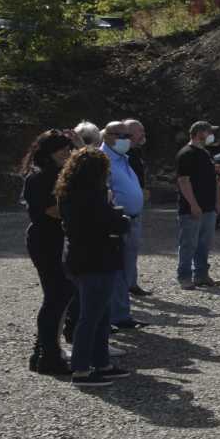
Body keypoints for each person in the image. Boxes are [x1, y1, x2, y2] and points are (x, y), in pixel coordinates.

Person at [59, 148, 131, 386]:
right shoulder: (91, 195)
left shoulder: (69, 192)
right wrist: (120, 217)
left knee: (100, 315)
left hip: (81, 258)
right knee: (91, 317)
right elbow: (111, 222)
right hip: (96, 260)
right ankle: (81, 369)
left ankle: (102, 363)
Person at [21, 130, 79, 376]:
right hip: (45, 240)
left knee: (59, 295)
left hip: (56, 238)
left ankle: (43, 351)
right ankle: (48, 357)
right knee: (57, 295)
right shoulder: (39, 177)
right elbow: (50, 210)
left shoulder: (57, 172)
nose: (67, 154)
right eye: (63, 150)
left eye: (69, 149)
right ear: (49, 153)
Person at [98, 121, 147, 329]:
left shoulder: (124, 158)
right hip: (116, 223)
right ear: (107, 136)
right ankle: (116, 316)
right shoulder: (102, 160)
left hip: (132, 220)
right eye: (122, 136)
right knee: (116, 271)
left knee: (126, 270)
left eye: (129, 136)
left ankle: (122, 313)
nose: (127, 140)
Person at [174, 121, 220, 290]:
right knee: (188, 243)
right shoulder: (186, 154)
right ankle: (184, 276)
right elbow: (183, 181)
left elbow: (213, 180)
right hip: (191, 209)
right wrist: (193, 204)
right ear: (199, 133)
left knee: (204, 243)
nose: (211, 135)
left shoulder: (206, 154)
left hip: (208, 207)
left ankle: (201, 275)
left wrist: (216, 202)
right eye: (209, 132)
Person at [123, 119, 151, 297]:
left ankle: (131, 283)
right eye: (140, 131)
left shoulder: (136, 152)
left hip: (137, 205)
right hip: (124, 208)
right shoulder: (122, 154)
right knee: (124, 248)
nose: (143, 134)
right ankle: (124, 286)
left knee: (133, 247)